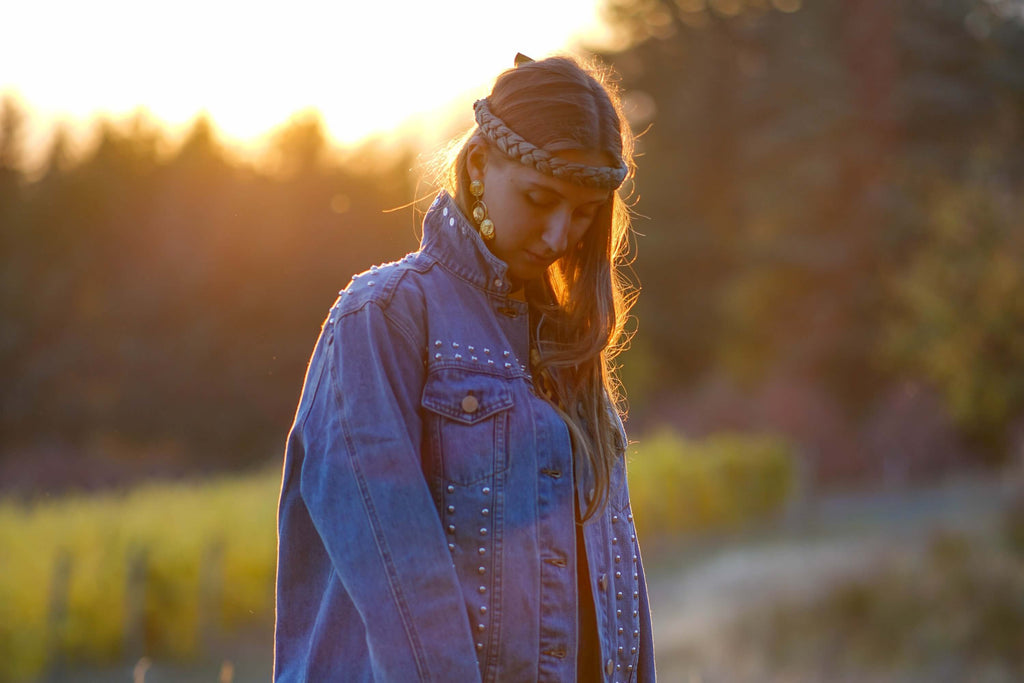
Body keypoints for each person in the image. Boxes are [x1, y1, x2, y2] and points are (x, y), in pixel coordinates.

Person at [274, 53, 656, 682]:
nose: (562, 234)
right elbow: (401, 579)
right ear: (479, 165)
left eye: (585, 212)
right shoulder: (383, 319)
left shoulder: (566, 350)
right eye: (540, 198)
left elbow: (619, 591)